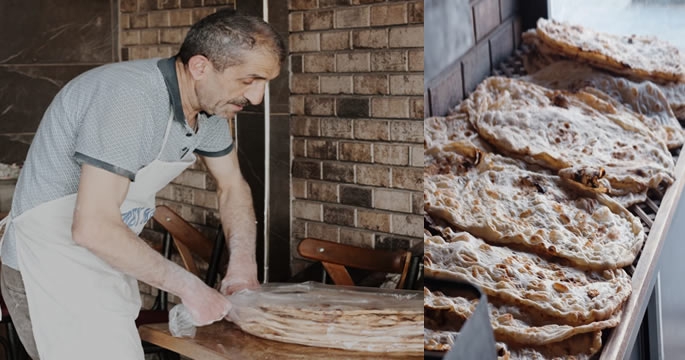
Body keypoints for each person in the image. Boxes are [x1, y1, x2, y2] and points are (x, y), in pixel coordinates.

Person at [0, 9, 285, 359]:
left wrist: (242, 264)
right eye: (249, 80)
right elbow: (92, 229)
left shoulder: (208, 109)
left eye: (264, 84)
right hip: (49, 266)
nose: (256, 98)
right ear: (200, 67)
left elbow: (233, 186)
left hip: (105, 261)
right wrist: (190, 288)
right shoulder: (129, 99)